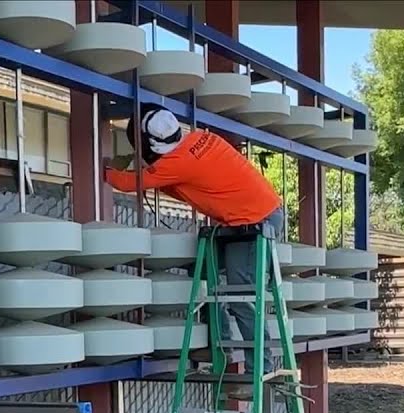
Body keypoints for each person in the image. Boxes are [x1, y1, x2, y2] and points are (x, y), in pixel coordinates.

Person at [103, 104, 285, 374]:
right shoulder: (200, 138)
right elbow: (185, 185)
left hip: (253, 225)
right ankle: (218, 346)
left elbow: (130, 183)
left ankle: (257, 370)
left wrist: (102, 169)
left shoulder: (179, 162)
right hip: (250, 220)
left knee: (241, 297)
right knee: (202, 272)